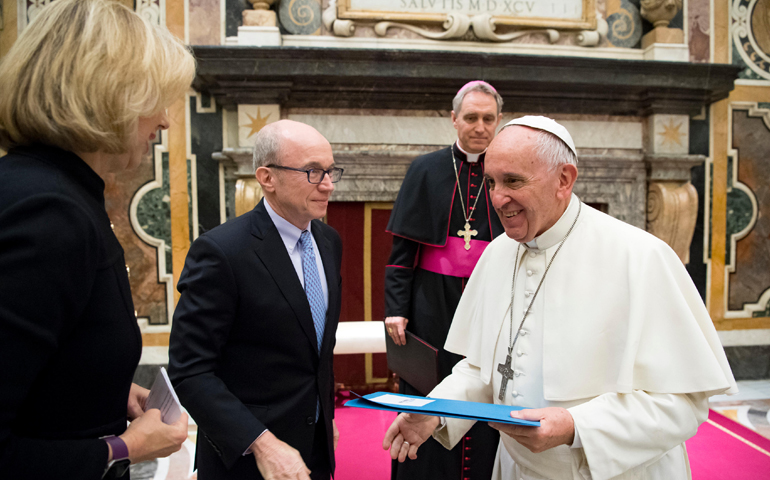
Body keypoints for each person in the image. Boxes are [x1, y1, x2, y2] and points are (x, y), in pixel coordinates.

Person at [383, 116, 737, 480]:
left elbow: (683, 404)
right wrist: (438, 411)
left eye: (513, 181)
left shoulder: (640, 257)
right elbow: (483, 370)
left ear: (564, 180)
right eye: (491, 182)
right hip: (516, 469)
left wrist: (575, 426)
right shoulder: (497, 254)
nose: (497, 198)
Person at [0, 0, 195, 478]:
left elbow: (44, 364)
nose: (166, 122)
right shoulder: (50, 214)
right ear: (111, 94)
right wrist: (122, 448)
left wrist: (104, 388)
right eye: (156, 99)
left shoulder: (45, 188)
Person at [168, 120, 343, 480]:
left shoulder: (329, 242)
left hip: (315, 451)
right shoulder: (221, 252)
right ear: (267, 177)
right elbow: (190, 372)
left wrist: (325, 419)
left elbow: (315, 352)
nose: (328, 184)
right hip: (246, 461)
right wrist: (261, 443)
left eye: (330, 171)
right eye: (313, 172)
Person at [384, 80, 504, 479]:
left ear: (499, 121)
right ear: (454, 119)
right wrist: (396, 309)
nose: (480, 127)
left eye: (488, 118)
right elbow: (402, 253)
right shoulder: (426, 169)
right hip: (431, 303)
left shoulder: (509, 172)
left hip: (491, 299)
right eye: (471, 117)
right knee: (429, 392)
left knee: (487, 387)